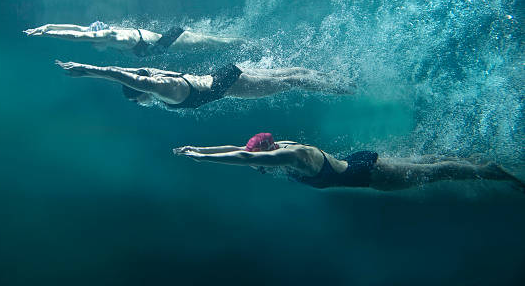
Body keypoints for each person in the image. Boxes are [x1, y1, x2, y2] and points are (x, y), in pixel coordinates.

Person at [173, 133, 525, 191]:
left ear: (269, 153)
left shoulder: (291, 155)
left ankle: (489, 171)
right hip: (358, 163)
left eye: (260, 162)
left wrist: (204, 161)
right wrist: (200, 151)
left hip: (367, 172)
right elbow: (242, 150)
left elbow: (242, 156)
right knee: (426, 165)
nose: (260, 166)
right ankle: (473, 161)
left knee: (434, 174)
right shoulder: (278, 147)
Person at [56, 61, 355, 109]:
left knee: (292, 81)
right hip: (223, 74)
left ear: (142, 92)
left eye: (138, 100)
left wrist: (86, 70)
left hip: (228, 84)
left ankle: (344, 88)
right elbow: (136, 70)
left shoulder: (159, 89)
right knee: (288, 73)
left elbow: (126, 75)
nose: (142, 104)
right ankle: (335, 76)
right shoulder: (160, 78)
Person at [24, 21, 244, 57]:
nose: (92, 44)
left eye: (92, 40)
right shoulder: (108, 36)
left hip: (172, 42)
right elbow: (77, 29)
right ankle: (241, 42)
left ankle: (245, 43)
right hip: (167, 42)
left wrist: (47, 33)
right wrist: (47, 26)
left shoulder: (111, 36)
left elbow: (76, 36)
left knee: (216, 44)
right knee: (213, 43)